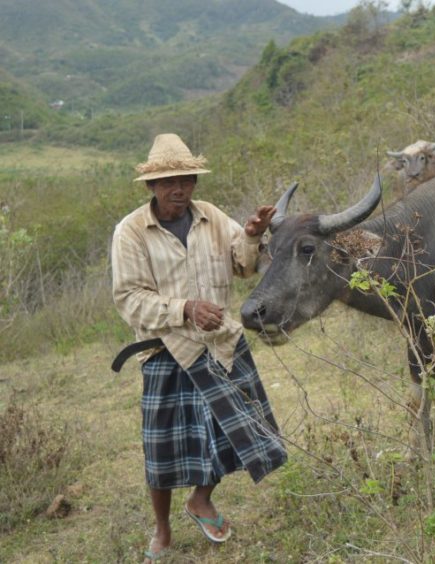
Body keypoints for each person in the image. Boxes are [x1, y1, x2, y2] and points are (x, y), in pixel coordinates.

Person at [110, 133, 287, 563]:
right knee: (163, 448)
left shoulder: (211, 216)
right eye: (169, 182)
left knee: (232, 430)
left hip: (220, 343)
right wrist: (185, 308)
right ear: (152, 186)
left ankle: (201, 499)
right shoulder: (131, 231)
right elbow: (129, 299)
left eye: (186, 180)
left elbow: (243, 266)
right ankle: (163, 529)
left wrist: (251, 234)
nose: (179, 189)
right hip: (166, 349)